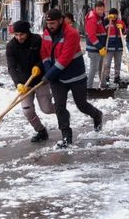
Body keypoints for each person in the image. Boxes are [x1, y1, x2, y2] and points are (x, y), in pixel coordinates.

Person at [41, 9, 104, 148]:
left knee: (81, 105)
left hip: (75, 75)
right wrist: (47, 70)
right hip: (57, 78)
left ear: (61, 20)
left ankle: (96, 115)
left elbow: (64, 59)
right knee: (59, 106)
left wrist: (49, 75)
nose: (50, 26)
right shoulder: (46, 32)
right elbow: (44, 53)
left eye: (53, 23)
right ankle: (66, 137)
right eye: (48, 23)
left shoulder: (71, 34)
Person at [6, 20, 55, 142]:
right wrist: (17, 83)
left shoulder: (37, 40)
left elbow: (45, 56)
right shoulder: (11, 46)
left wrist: (39, 66)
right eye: (16, 35)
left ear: (27, 32)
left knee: (47, 109)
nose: (19, 37)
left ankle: (62, 112)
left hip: (40, 79)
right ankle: (41, 131)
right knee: (27, 110)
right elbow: (11, 67)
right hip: (24, 83)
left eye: (22, 34)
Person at [84, 1, 107, 89]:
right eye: (99, 9)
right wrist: (100, 47)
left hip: (100, 47)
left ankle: (103, 84)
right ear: (95, 8)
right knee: (94, 68)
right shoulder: (92, 18)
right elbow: (92, 36)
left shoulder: (100, 17)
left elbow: (102, 30)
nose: (101, 11)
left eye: (102, 9)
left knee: (102, 66)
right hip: (94, 48)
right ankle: (88, 87)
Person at [102, 8, 126, 87]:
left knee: (118, 63)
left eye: (116, 14)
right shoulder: (106, 21)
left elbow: (124, 32)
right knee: (107, 63)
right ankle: (106, 77)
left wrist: (122, 28)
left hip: (119, 46)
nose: (114, 16)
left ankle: (117, 77)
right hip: (109, 47)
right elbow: (102, 30)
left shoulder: (120, 22)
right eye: (112, 14)